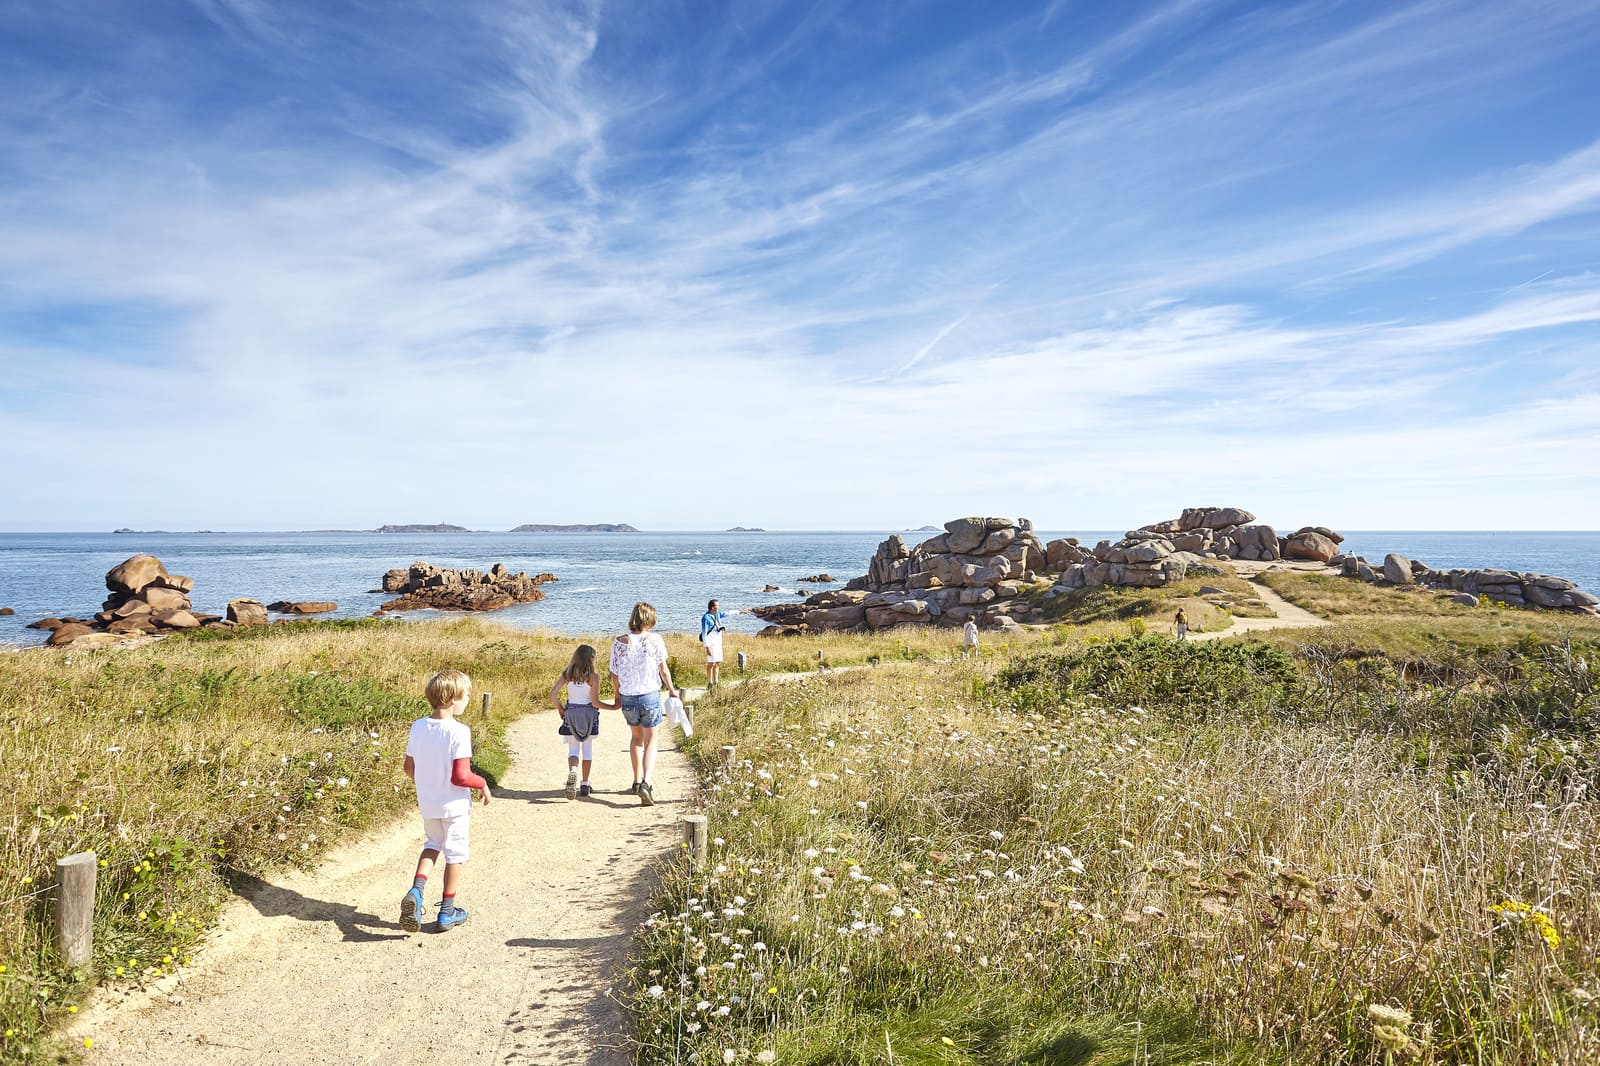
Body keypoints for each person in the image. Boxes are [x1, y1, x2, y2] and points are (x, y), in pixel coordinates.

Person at [400, 669, 490, 933]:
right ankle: (447, 912)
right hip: (454, 806)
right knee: (455, 854)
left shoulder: (418, 726)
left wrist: (426, 785)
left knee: (432, 845)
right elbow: (461, 776)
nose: (468, 699)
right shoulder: (459, 731)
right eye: (467, 695)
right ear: (452, 699)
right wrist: (482, 784)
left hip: (428, 802)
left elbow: (408, 767)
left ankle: (416, 892)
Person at [610, 602, 680, 806]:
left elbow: (614, 674)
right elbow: (663, 670)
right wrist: (672, 690)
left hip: (628, 697)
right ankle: (647, 783)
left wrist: (617, 695)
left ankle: (636, 779)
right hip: (649, 694)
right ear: (649, 619)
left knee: (636, 739)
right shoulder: (655, 640)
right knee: (652, 740)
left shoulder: (619, 642)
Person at [549, 644, 617, 800]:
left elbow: (552, 694)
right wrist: (613, 707)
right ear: (591, 659)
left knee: (573, 749)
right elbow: (595, 702)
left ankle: (573, 771)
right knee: (587, 749)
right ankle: (585, 783)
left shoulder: (567, 674)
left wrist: (560, 709)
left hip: (571, 714)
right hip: (588, 715)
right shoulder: (593, 677)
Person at [699, 598, 743, 688]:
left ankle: (716, 681)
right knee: (711, 663)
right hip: (711, 643)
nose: (718, 607)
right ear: (712, 607)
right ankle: (710, 682)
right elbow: (704, 633)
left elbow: (727, 613)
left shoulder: (717, 614)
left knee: (718, 662)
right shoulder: (705, 618)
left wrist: (739, 611)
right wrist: (707, 647)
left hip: (718, 641)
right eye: (717, 606)